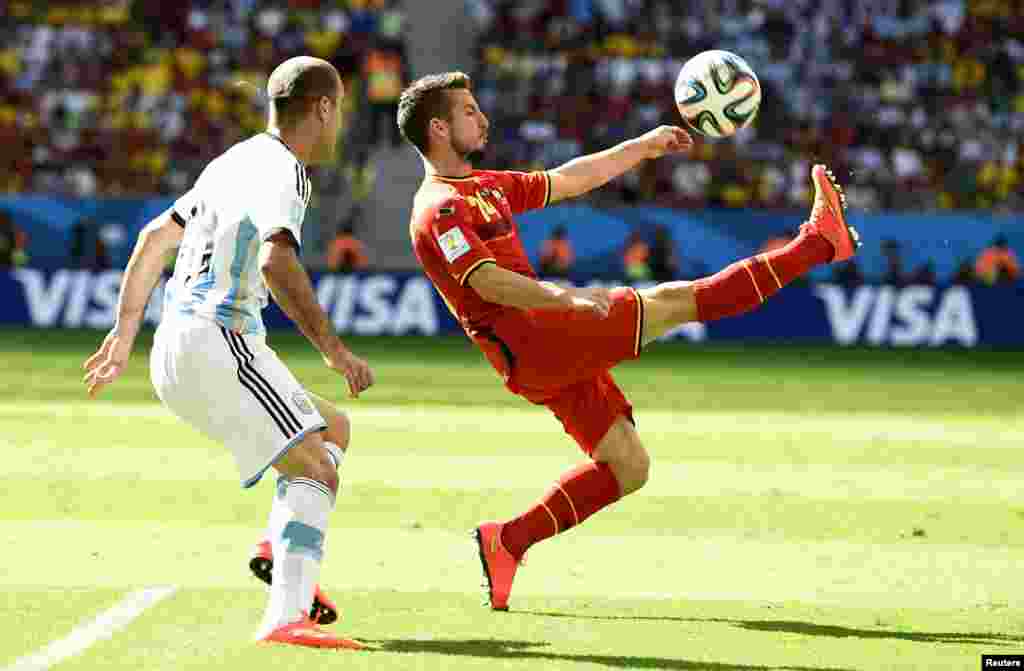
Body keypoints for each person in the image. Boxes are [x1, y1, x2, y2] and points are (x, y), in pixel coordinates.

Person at [399, 72, 860, 611]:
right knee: (677, 301)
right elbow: (484, 280)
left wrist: (641, 147)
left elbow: (569, 178)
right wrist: (563, 298)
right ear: (438, 127)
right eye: (470, 110)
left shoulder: (483, 188)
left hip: (542, 347)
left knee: (629, 466)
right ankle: (817, 244)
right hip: (541, 337)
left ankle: (508, 541)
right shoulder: (438, 210)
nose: (483, 118)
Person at [82, 57, 374, 650]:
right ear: (322, 108)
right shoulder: (286, 171)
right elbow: (277, 260)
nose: (339, 121)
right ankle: (285, 616)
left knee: (333, 431)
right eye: (338, 109)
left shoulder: (230, 160)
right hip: (221, 343)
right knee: (315, 469)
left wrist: (124, 333)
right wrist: (335, 350)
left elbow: (153, 239)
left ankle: (279, 545)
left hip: (176, 346)